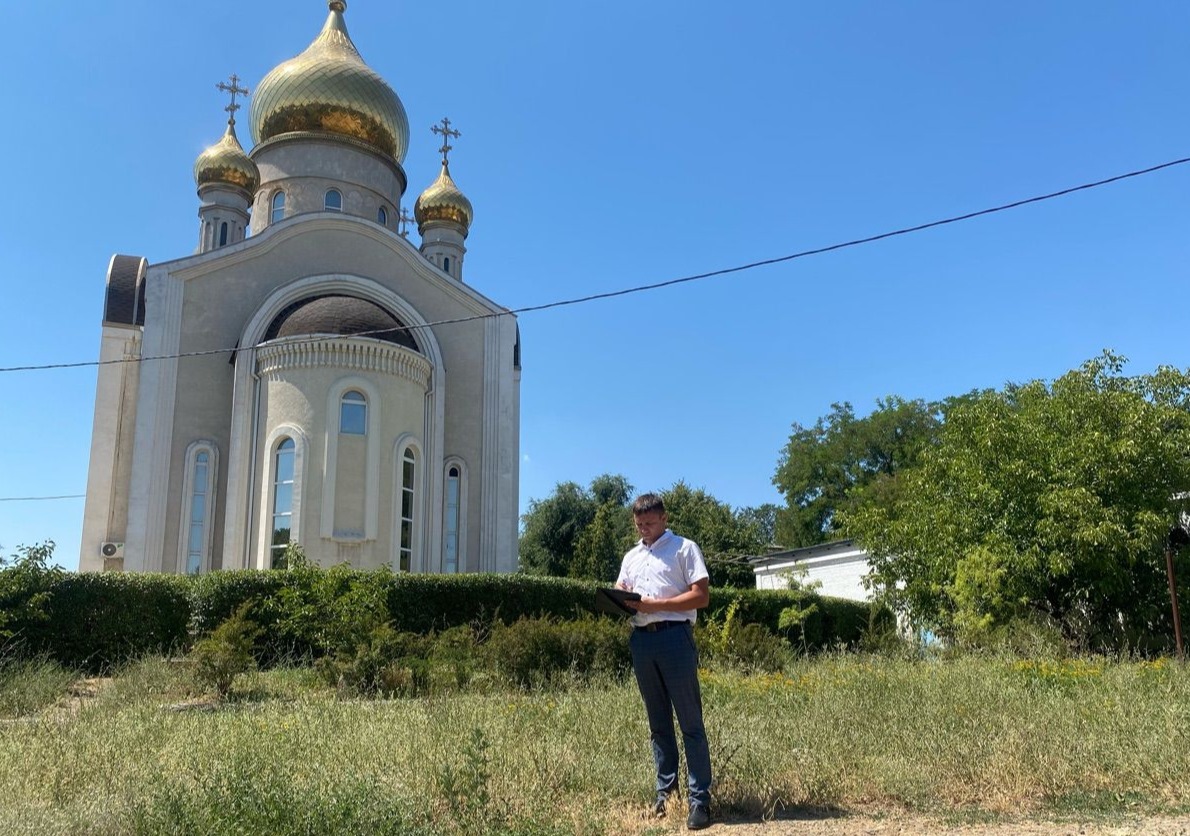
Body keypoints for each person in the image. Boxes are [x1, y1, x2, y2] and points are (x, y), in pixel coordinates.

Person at [616, 493, 712, 830]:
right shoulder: (631, 556)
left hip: (675, 637)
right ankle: (666, 796)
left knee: (690, 722)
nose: (643, 529)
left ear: (664, 519)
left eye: (649, 523)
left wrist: (655, 605)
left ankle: (700, 801)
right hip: (642, 641)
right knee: (658, 725)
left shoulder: (685, 549)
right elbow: (624, 589)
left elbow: (701, 595)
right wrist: (619, 599)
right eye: (639, 524)